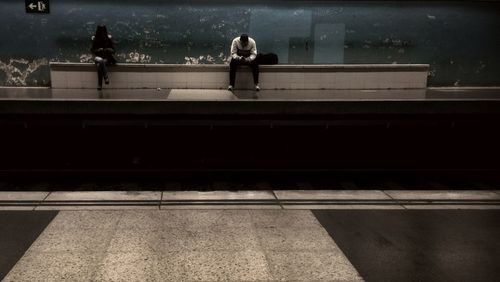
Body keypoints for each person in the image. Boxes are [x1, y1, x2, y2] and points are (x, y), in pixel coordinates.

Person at [91, 25, 116, 90]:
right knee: (101, 61)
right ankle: (106, 77)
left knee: (100, 64)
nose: (102, 34)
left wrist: (107, 49)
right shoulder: (95, 39)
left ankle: (99, 85)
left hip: (106, 58)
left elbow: (113, 51)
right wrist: (98, 50)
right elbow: (92, 50)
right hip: (98, 57)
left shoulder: (108, 39)